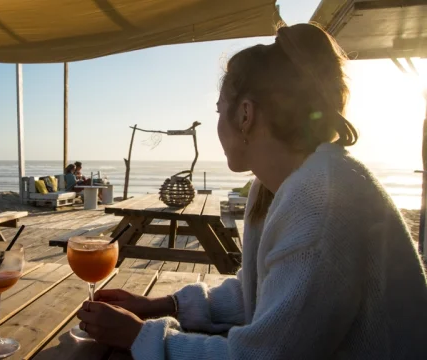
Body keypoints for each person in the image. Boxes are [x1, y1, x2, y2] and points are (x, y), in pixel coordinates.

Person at [75, 23, 427, 359]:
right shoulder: (280, 185)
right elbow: (259, 292)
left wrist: (140, 337)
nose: (217, 123)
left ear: (245, 115)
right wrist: (161, 306)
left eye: (218, 110)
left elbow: (263, 356)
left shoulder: (321, 204)